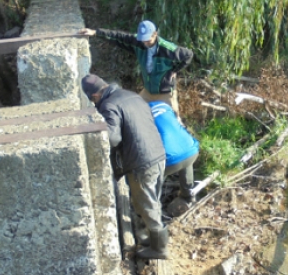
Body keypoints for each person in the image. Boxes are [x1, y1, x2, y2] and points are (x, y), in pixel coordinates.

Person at [81, 73, 169, 260]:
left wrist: (97, 128)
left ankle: (160, 249)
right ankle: (153, 239)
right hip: (158, 153)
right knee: (153, 199)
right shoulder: (132, 95)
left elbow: (113, 138)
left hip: (141, 162)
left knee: (146, 204)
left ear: (94, 96)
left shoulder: (109, 105)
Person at [77, 20, 193, 113]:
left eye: (148, 40)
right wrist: (95, 32)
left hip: (165, 93)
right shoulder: (138, 43)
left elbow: (188, 55)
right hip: (147, 91)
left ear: (155, 34)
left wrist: (175, 70)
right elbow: (118, 36)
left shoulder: (168, 50)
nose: (145, 43)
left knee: (173, 120)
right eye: (142, 40)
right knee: (135, 111)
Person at [150, 100, 199, 204]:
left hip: (169, 161)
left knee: (152, 174)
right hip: (192, 150)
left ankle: (153, 205)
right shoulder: (164, 106)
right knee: (184, 153)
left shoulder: (142, 114)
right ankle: (188, 195)